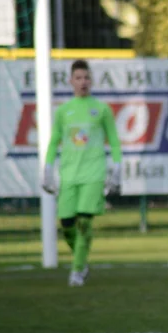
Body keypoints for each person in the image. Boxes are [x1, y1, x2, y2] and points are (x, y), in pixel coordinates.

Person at [41, 60, 123, 287]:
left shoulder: (102, 109)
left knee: (85, 222)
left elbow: (114, 141)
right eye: (78, 78)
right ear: (71, 81)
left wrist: (117, 167)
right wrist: (47, 168)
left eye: (86, 77)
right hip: (69, 174)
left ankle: (76, 271)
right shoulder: (64, 111)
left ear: (91, 80)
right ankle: (82, 261)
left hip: (93, 173)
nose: (83, 82)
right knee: (66, 223)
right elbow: (54, 141)